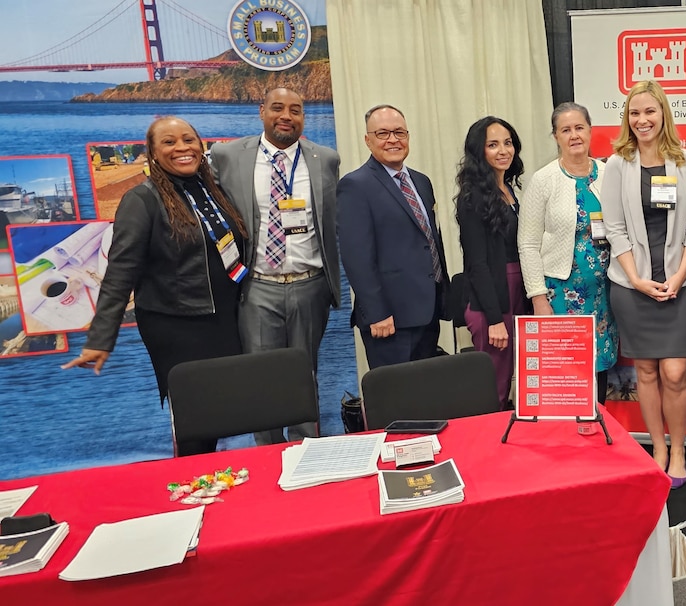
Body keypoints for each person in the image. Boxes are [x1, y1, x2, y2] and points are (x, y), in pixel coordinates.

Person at [64, 117, 249, 456]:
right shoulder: (141, 200)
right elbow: (121, 273)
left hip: (224, 320)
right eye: (169, 142)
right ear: (151, 152)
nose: (182, 148)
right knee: (197, 422)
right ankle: (195, 487)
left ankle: (217, 482)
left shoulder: (213, 191)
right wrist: (101, 338)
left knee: (221, 413)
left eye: (189, 139)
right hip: (178, 326)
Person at [211, 87, 341, 445]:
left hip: (310, 284)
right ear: (261, 111)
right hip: (257, 286)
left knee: (305, 374)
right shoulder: (227, 155)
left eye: (296, 110)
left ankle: (307, 448)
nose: (287, 115)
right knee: (262, 378)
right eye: (278, 108)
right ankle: (267, 454)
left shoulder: (325, 158)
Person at [600, 80, 686, 488]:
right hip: (632, 285)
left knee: (676, 373)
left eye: (650, 111)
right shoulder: (617, 164)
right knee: (645, 370)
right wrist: (637, 280)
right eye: (635, 113)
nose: (642, 120)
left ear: (664, 114)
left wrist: (678, 277)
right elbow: (614, 228)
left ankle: (679, 450)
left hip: (678, 282)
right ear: (628, 118)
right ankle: (658, 448)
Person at [518, 102, 618, 404]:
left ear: (589, 131)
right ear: (556, 136)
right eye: (565, 130)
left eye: (579, 127)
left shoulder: (608, 172)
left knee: (598, 369)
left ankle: (596, 435)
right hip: (560, 294)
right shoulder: (543, 180)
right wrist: (537, 297)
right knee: (565, 375)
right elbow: (527, 243)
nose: (574, 135)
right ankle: (566, 446)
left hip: (603, 293)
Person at [338, 105, 448, 370]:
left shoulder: (421, 182)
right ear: (368, 140)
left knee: (427, 399)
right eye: (383, 133)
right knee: (396, 403)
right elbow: (357, 258)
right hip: (389, 320)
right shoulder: (355, 186)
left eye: (399, 132)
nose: (392, 140)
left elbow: (428, 241)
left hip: (427, 312)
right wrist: (377, 313)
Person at [454, 116, 528, 406]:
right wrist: (495, 320)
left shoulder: (509, 189)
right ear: (479, 151)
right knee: (493, 390)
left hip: (517, 289)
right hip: (493, 300)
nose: (503, 151)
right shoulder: (473, 197)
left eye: (508, 143)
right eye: (493, 145)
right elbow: (477, 263)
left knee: (513, 379)